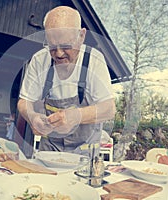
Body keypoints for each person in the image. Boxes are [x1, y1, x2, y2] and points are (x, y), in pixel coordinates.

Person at [17, 6, 115, 158]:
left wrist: (77, 116)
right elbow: (24, 102)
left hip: (85, 152)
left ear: (81, 36)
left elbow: (108, 109)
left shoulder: (93, 60)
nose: (59, 53)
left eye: (66, 46)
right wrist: (32, 117)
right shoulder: (39, 60)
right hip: (50, 148)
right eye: (52, 46)